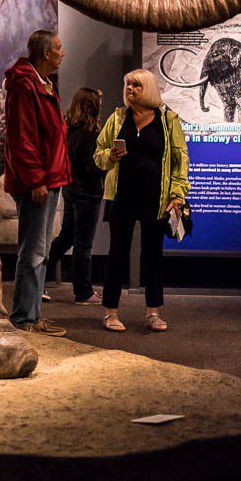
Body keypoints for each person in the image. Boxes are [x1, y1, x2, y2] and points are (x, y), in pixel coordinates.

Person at [95, 69, 189, 333]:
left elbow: (181, 161)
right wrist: (110, 156)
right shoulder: (117, 118)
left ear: (148, 88)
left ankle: (153, 313)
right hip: (121, 198)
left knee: (153, 257)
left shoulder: (168, 121)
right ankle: (110, 312)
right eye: (127, 84)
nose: (130, 89)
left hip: (156, 200)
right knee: (117, 255)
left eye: (136, 85)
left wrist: (177, 194)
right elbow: (98, 154)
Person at [4, 30, 70, 336]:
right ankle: (23, 318)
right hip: (39, 182)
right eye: (58, 49)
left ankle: (33, 316)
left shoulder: (44, 84)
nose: (62, 53)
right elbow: (23, 136)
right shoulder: (24, 84)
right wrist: (35, 179)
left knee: (40, 252)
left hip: (51, 178)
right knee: (32, 252)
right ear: (45, 54)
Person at [47, 87, 104, 304]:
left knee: (66, 238)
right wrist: (109, 163)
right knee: (83, 243)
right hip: (88, 193)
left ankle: (39, 276)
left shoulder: (67, 129)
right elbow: (91, 167)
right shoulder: (90, 134)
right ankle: (83, 292)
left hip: (70, 190)